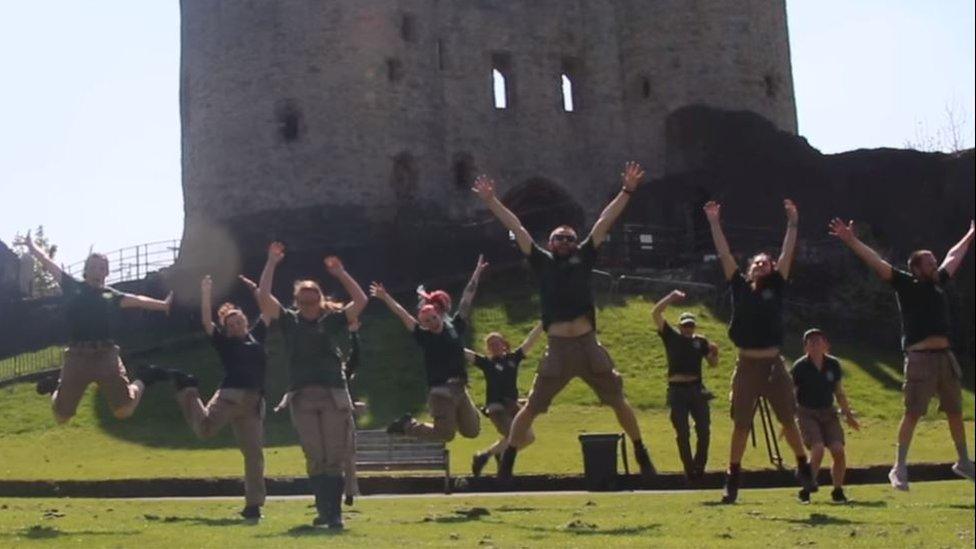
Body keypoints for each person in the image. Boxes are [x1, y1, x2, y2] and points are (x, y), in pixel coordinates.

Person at [472, 162, 657, 482]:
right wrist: (491, 202)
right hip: (557, 349)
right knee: (530, 408)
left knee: (617, 400)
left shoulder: (584, 256)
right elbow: (517, 227)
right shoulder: (541, 261)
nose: (564, 242)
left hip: (587, 345)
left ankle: (641, 451)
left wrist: (627, 190)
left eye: (570, 238)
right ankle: (509, 458)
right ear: (550, 241)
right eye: (559, 238)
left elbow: (604, 220)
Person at [829, 218, 975, 488]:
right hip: (920, 360)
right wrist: (851, 240)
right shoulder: (906, 285)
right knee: (913, 413)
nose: (936, 264)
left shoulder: (938, 283)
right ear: (917, 268)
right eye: (930, 262)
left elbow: (954, 256)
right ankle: (899, 467)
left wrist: (971, 233)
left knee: (955, 411)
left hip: (946, 358)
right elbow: (877, 262)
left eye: (935, 261)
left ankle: (963, 461)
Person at [703, 199, 815, 504]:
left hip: (774, 365)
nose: (763, 265)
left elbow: (787, 252)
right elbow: (724, 253)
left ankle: (803, 466)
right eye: (758, 263)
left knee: (788, 420)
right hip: (747, 364)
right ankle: (732, 478)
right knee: (741, 423)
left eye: (767, 263)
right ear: (751, 268)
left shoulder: (777, 285)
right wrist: (714, 222)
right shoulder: (739, 286)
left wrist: (792, 223)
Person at [257, 242, 368, 529]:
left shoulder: (331, 320)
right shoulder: (289, 321)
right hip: (302, 394)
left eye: (312, 299)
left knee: (334, 454)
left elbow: (361, 300)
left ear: (320, 299)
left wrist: (341, 273)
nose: (308, 305)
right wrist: (271, 263)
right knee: (314, 455)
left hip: (332, 392)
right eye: (303, 300)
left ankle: (335, 515)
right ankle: (324, 510)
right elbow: (264, 297)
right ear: (297, 301)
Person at [25, 231, 173, 423]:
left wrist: (163, 305)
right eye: (93, 267)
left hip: (106, 356)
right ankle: (55, 389)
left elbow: (138, 300)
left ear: (106, 272)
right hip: (77, 358)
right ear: (86, 271)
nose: (97, 271)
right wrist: (31, 245)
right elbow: (47, 262)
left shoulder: (112, 295)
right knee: (61, 417)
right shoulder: (72, 286)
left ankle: (143, 378)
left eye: (102, 268)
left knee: (124, 411)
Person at [171, 274, 269, 520]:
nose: (235, 326)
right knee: (205, 431)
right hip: (229, 397)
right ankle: (188, 390)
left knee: (254, 454)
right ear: (226, 328)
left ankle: (253, 505)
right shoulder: (224, 343)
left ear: (246, 322)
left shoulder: (257, 337)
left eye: (239, 322)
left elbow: (268, 310)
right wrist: (206, 292)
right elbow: (206, 321)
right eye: (231, 324)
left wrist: (256, 290)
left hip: (253, 403)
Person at [371, 255, 488, 442]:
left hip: (459, 388)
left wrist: (477, 272)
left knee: (472, 431)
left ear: (439, 314)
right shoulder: (424, 337)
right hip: (440, 392)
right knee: (446, 435)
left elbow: (467, 297)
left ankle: (455, 417)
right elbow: (403, 315)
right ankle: (408, 425)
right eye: (426, 321)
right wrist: (385, 297)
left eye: (433, 317)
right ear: (423, 324)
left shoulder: (455, 326)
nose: (432, 322)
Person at [651, 289, 719, 480]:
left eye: (691, 326)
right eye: (685, 326)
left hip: (696, 389)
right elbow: (656, 313)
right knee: (682, 432)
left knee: (704, 430)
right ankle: (689, 470)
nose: (688, 329)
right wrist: (670, 298)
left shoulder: (700, 342)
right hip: (677, 390)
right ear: (680, 326)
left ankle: (700, 466)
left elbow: (712, 364)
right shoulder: (671, 337)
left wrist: (714, 353)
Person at [790, 328, 861, 503]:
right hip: (807, 413)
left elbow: (839, 392)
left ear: (826, 345)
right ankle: (806, 488)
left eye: (818, 341)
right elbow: (792, 394)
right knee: (818, 448)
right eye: (810, 342)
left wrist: (848, 415)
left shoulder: (833, 364)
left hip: (828, 413)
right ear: (805, 347)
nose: (815, 345)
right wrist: (789, 420)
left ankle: (837, 491)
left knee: (838, 450)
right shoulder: (799, 367)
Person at [466, 323, 544, 477]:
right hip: (497, 408)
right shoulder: (487, 363)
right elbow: (465, 353)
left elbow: (529, 342)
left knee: (529, 438)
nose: (494, 346)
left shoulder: (513, 359)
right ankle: (487, 456)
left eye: (497, 342)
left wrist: (542, 324)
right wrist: (444, 339)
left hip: (513, 406)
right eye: (490, 345)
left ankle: (491, 453)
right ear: (488, 349)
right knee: (514, 436)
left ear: (504, 344)